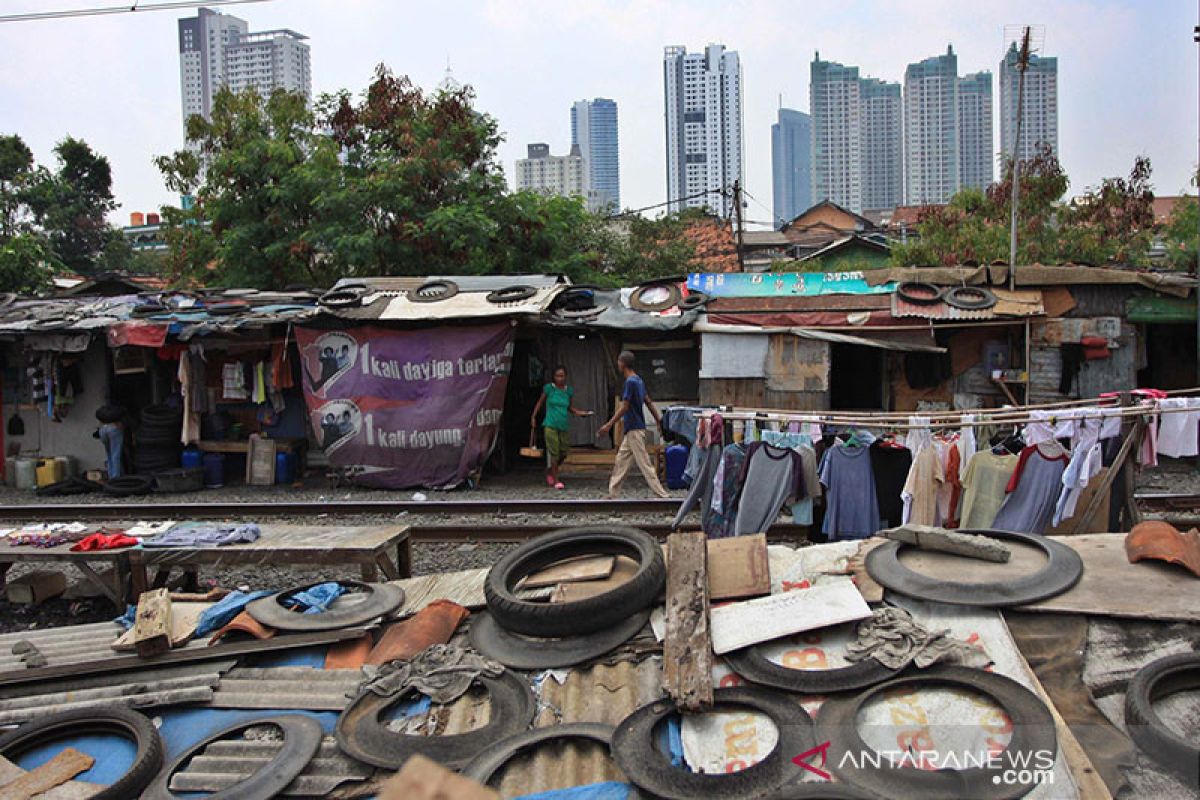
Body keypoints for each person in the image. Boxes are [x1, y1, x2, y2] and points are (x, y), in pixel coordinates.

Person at [598, 351, 669, 499]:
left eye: (618, 362)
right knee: (621, 461)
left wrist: (609, 425)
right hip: (633, 429)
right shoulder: (639, 380)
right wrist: (658, 421)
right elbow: (648, 402)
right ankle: (613, 493)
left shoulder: (630, 382)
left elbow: (625, 407)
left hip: (634, 429)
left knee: (644, 463)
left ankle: (662, 494)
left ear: (622, 364)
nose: (618, 364)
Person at [530, 365, 592, 489]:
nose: (560, 378)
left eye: (562, 376)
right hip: (550, 424)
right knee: (554, 453)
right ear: (554, 377)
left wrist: (580, 413)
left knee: (564, 452)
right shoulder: (549, 389)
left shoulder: (568, 391)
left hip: (563, 425)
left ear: (566, 377)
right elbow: (540, 402)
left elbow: (569, 407)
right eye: (558, 376)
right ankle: (556, 479)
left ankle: (550, 471)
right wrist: (533, 417)